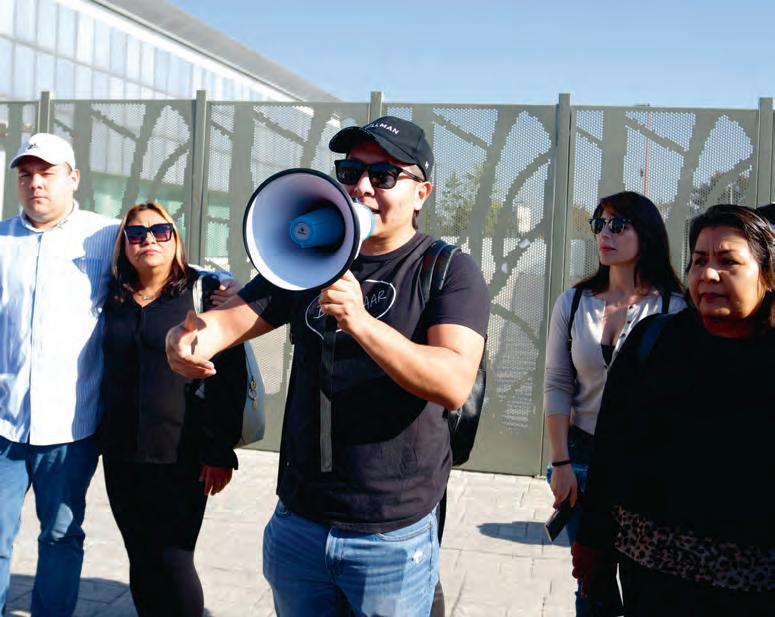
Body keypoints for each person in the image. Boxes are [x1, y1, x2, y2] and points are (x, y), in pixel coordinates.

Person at [165, 116, 490, 617]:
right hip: (301, 518)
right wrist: (185, 340)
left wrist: (360, 322)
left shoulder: (447, 270)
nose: (363, 187)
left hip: (391, 532)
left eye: (384, 175)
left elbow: (452, 382)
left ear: (421, 193)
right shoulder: (312, 258)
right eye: (350, 172)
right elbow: (227, 323)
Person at [572, 204, 775, 616]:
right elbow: (610, 451)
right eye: (699, 260)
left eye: (728, 262)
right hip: (648, 580)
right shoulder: (654, 341)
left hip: (749, 590)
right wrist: (593, 541)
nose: (709, 274)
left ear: (768, 275)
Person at [98, 202, 244, 617]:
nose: (148, 239)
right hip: (122, 453)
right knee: (140, 555)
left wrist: (220, 451)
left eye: (160, 231)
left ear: (175, 239)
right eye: (136, 233)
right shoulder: (113, 295)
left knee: (174, 558)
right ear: (124, 245)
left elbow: (229, 376)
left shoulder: (205, 293)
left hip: (183, 454)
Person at [543, 191, 685, 615]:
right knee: (593, 585)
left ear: (648, 234)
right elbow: (557, 383)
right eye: (599, 224)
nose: (605, 233)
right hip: (581, 456)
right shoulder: (573, 302)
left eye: (619, 225)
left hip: (645, 463)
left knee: (645, 584)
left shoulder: (674, 308)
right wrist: (561, 463)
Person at [0, 133, 119, 617]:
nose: (35, 184)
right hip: (4, 426)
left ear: (73, 178)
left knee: (60, 535)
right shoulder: (2, 240)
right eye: (26, 175)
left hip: (71, 428)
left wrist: (226, 290)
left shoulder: (106, 236)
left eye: (46, 173)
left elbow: (170, 269)